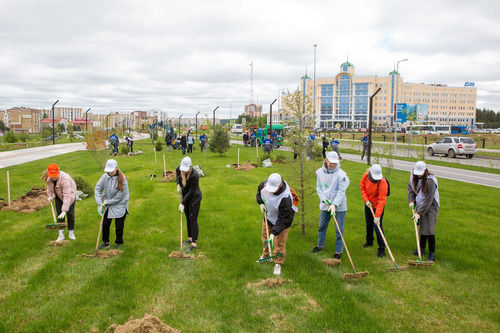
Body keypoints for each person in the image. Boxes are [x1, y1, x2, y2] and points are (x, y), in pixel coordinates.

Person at [256, 173, 297, 275]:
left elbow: (283, 219)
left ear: (280, 185)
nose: (270, 190)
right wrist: (260, 203)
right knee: (265, 238)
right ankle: (265, 256)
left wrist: (274, 233)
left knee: (279, 244)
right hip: (269, 217)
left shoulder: (286, 198)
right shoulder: (264, 185)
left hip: (282, 221)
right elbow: (259, 192)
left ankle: (278, 263)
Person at [311, 151, 350, 260]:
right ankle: (320, 245)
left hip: (339, 205)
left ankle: (338, 252)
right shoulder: (320, 173)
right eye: (330, 162)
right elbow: (319, 188)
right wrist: (325, 200)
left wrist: (334, 204)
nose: (332, 165)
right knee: (322, 226)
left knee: (339, 229)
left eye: (335, 163)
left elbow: (341, 192)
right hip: (326, 204)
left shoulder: (341, 175)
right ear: (326, 160)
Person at [408, 161, 440, 262]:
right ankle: (421, 249)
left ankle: (432, 254)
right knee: (422, 227)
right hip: (421, 203)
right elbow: (411, 188)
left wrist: (419, 213)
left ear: (425, 171)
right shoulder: (414, 176)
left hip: (431, 206)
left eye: (420, 173)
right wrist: (411, 200)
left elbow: (429, 200)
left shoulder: (430, 181)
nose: (418, 174)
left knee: (429, 229)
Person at [95, 159, 130, 250]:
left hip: (120, 203)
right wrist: (100, 203)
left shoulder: (123, 179)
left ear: (116, 168)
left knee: (119, 226)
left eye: (112, 170)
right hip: (107, 203)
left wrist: (107, 202)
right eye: (108, 171)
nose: (110, 172)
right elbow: (97, 188)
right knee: (105, 224)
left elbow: (119, 197)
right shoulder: (104, 177)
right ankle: (106, 242)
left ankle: (119, 243)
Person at [360, 164, 388, 258]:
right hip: (368, 203)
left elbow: (382, 199)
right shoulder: (366, 176)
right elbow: (362, 187)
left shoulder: (382, 182)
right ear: (370, 172)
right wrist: (366, 200)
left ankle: (381, 249)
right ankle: (369, 241)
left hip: (378, 205)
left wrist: (377, 216)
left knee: (377, 226)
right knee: (368, 223)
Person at [176, 156, 202, 253]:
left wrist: (182, 203)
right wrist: (178, 185)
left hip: (194, 198)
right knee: (187, 218)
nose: (184, 171)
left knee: (193, 220)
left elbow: (191, 191)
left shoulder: (195, 175)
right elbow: (177, 176)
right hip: (186, 197)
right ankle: (190, 238)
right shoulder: (180, 169)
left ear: (190, 167)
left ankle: (194, 244)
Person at [45, 163, 77, 242]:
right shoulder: (49, 179)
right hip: (59, 196)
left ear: (58, 172)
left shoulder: (64, 179)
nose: (53, 177)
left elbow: (67, 195)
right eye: (52, 175)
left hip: (70, 195)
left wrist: (64, 210)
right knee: (59, 215)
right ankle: (61, 235)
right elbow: (50, 188)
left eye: (55, 175)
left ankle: (71, 233)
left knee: (70, 214)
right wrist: (51, 195)